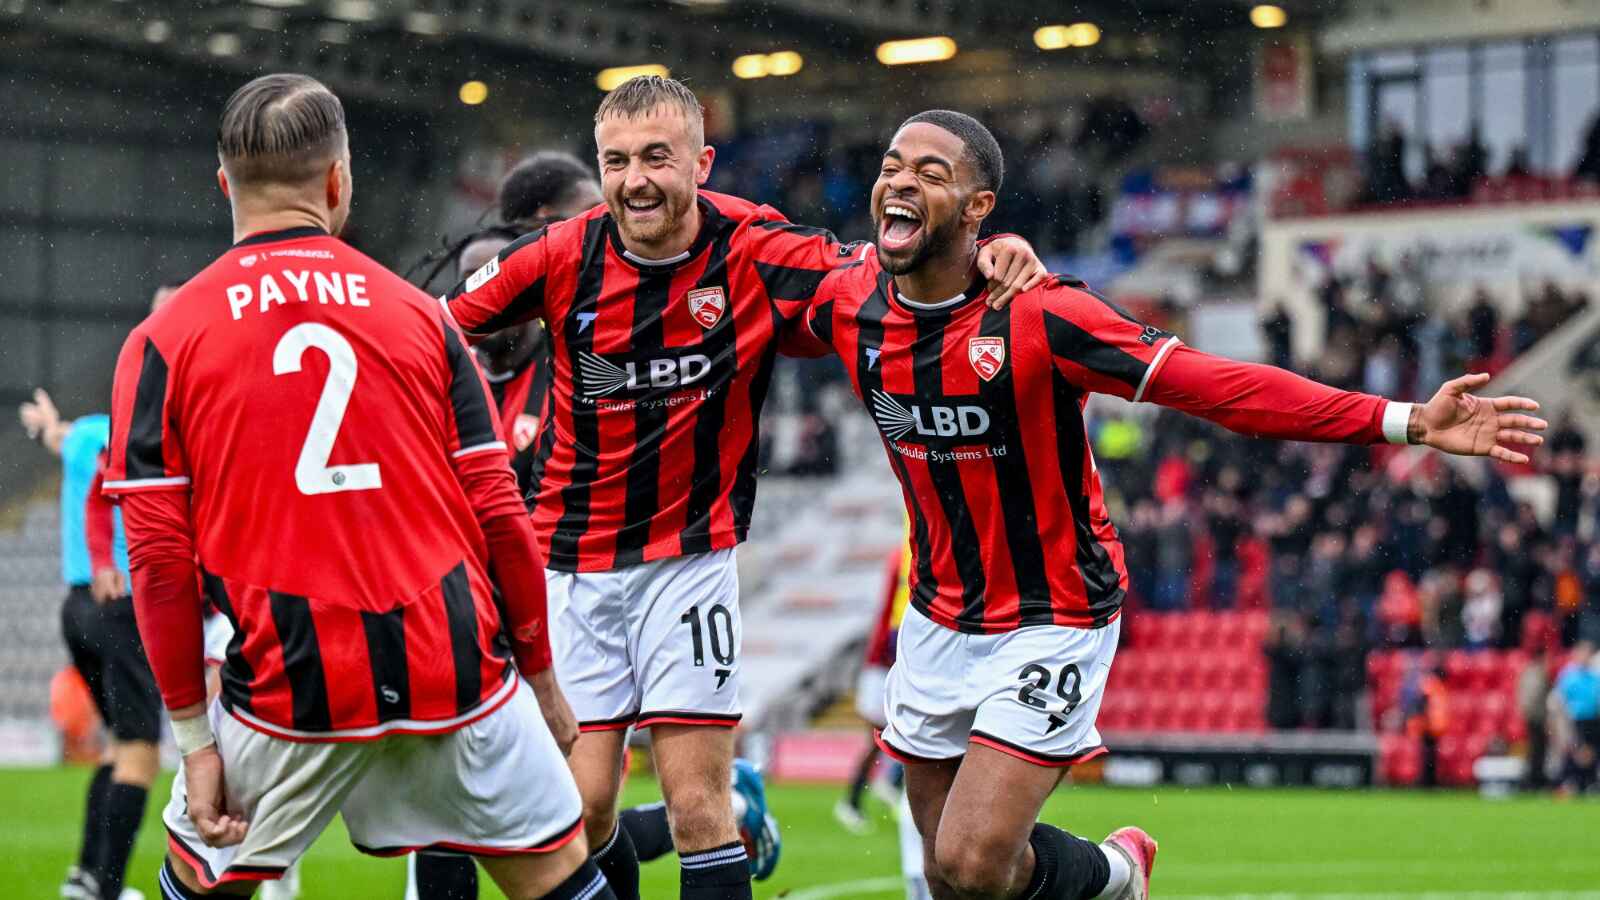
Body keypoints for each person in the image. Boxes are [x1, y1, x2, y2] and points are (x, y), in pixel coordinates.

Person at [787, 109, 1548, 899]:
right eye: (891, 165)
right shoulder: (848, 299)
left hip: (1054, 614)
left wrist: (1406, 420)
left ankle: (1115, 872)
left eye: (932, 173)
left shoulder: (1044, 315)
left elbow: (1223, 388)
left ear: (980, 208)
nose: (900, 182)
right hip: (938, 619)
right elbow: (742, 261)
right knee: (948, 873)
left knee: (975, 860)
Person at [442, 75, 1045, 900]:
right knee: (576, 815)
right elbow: (425, 331)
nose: (635, 180)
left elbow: (882, 273)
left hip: (688, 565)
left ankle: (728, 817)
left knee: (697, 811)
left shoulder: (754, 246)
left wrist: (987, 257)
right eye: (616, 161)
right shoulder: (560, 254)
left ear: (702, 161)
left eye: (657, 156)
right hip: (571, 569)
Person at [100, 73, 610, 900]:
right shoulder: (423, 317)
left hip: (288, 686)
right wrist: (543, 682)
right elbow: (500, 516)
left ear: (225, 184)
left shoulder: (163, 340)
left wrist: (195, 745)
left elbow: (159, 566)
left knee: (197, 884)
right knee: (559, 879)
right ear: (338, 181)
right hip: (457, 672)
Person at [412, 152, 780, 899]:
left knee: (569, 813)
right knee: (530, 812)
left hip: (577, 587)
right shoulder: (468, 363)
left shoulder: (590, 355)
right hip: (480, 611)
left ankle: (728, 804)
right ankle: (732, 804)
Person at [20, 329, 173, 900]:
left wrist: (46, 425)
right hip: (120, 604)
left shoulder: (87, 434)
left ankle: (86, 878)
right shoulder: (151, 437)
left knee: (116, 747)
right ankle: (108, 890)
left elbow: (61, 439)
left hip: (76, 606)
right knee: (140, 753)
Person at [1554, 639, 1600, 795]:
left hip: (1594, 719)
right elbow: (1559, 700)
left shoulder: (1595, 675)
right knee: (1576, 752)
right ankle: (1571, 783)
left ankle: (1590, 783)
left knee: (1592, 753)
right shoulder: (1568, 675)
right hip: (1574, 720)